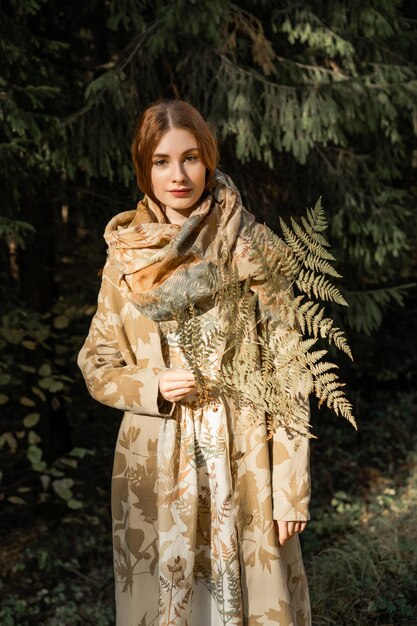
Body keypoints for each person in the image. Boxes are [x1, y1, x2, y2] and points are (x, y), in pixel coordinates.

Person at [77, 99, 311, 626]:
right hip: (157, 459)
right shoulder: (127, 257)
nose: (178, 175)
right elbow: (97, 361)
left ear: (209, 159)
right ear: (145, 168)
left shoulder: (251, 245)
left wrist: (290, 487)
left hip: (244, 453)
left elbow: (292, 369)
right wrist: (152, 383)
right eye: (161, 161)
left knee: (247, 600)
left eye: (190, 157)